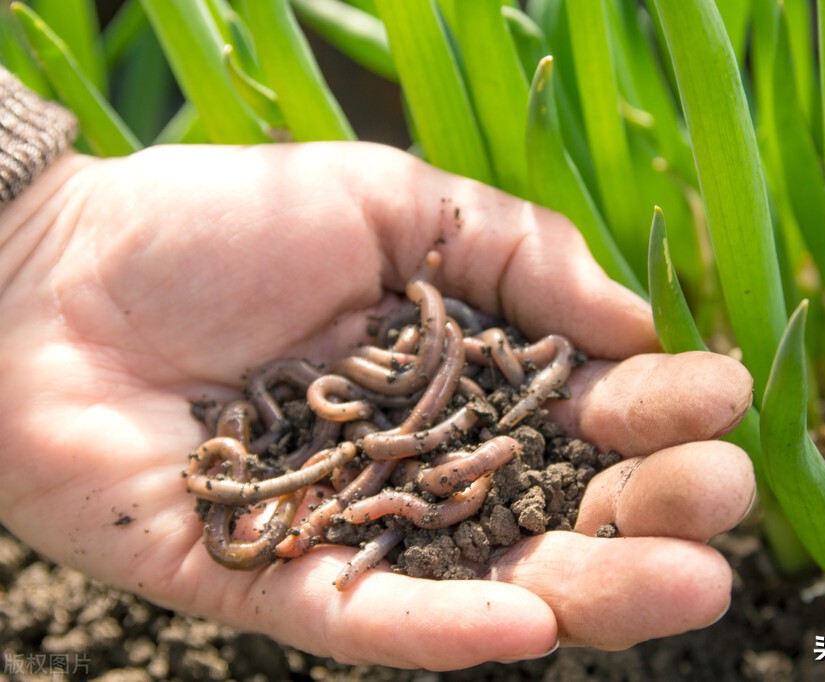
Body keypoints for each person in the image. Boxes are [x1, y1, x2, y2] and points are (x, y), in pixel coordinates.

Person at [0, 67, 755, 670]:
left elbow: (409, 449)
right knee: (345, 453)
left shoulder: (427, 400)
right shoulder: (336, 425)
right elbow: (369, 444)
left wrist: (32, 232)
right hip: (377, 437)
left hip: (414, 423)